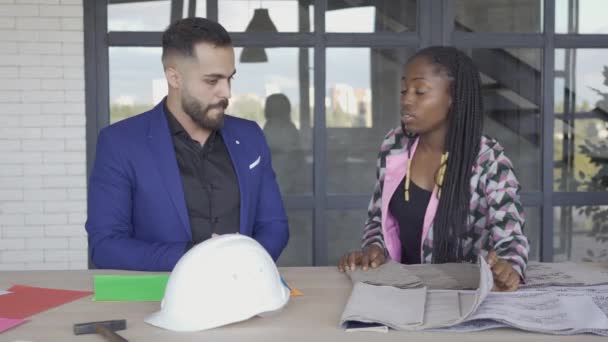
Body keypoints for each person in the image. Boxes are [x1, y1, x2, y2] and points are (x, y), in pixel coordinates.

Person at [85, 17, 289, 271]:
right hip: (159, 300)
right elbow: (105, 246)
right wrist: (198, 258)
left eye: (229, 79)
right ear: (174, 77)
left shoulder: (250, 136)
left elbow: (274, 225)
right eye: (212, 81)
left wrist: (246, 265)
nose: (226, 93)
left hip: (245, 292)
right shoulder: (120, 143)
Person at [337, 46, 529, 292]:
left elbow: (511, 237)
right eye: (404, 90)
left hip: (461, 296)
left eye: (420, 91)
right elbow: (378, 219)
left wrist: (509, 268)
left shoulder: (488, 159)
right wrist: (374, 249)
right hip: (402, 293)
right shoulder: (394, 145)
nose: (406, 100)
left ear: (453, 97)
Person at [262, 93, 305, 194]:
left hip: (285, 180)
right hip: (280, 181)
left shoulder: (283, 128)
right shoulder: (272, 127)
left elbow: (296, 154)